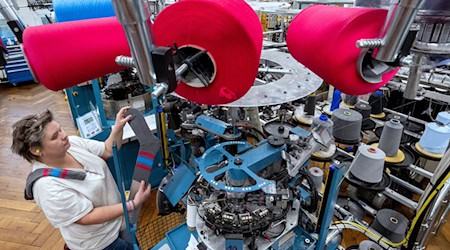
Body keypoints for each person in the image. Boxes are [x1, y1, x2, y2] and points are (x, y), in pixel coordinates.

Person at [11, 107, 151, 250]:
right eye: (54, 136)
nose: (64, 135)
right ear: (36, 150)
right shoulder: (47, 187)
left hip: (119, 224)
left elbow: (107, 149)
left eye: (60, 129)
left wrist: (118, 127)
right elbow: (87, 217)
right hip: (101, 243)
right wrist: (132, 204)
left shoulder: (71, 145)